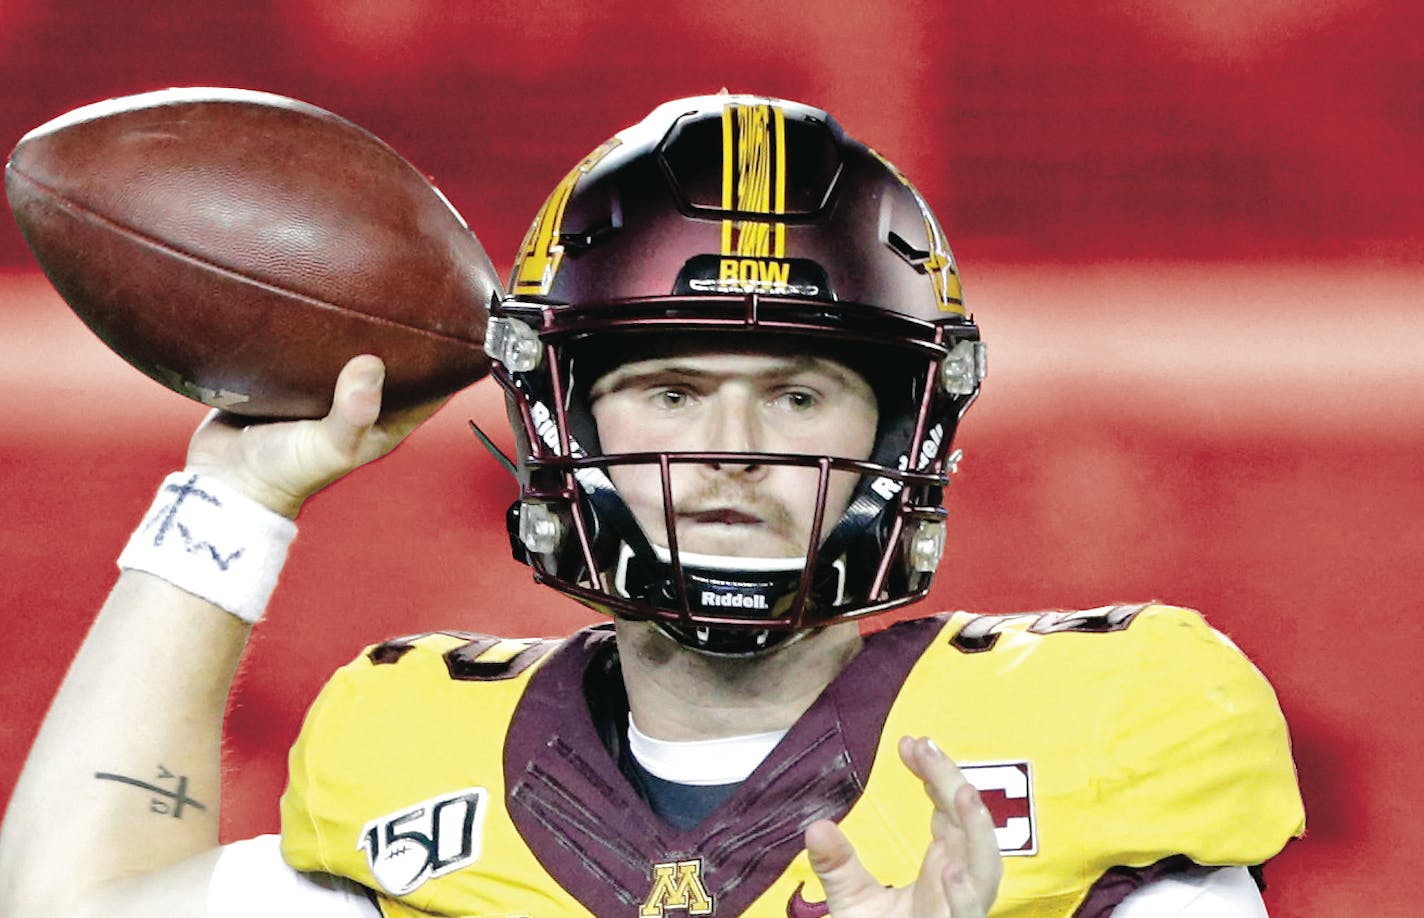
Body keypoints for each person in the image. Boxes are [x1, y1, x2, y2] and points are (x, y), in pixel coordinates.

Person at [0, 94, 1303, 917]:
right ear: (563, 420)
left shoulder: (1107, 735)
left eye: (797, 395)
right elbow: (68, 902)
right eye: (671, 390)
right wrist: (231, 497)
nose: (731, 448)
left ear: (902, 429)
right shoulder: (417, 761)